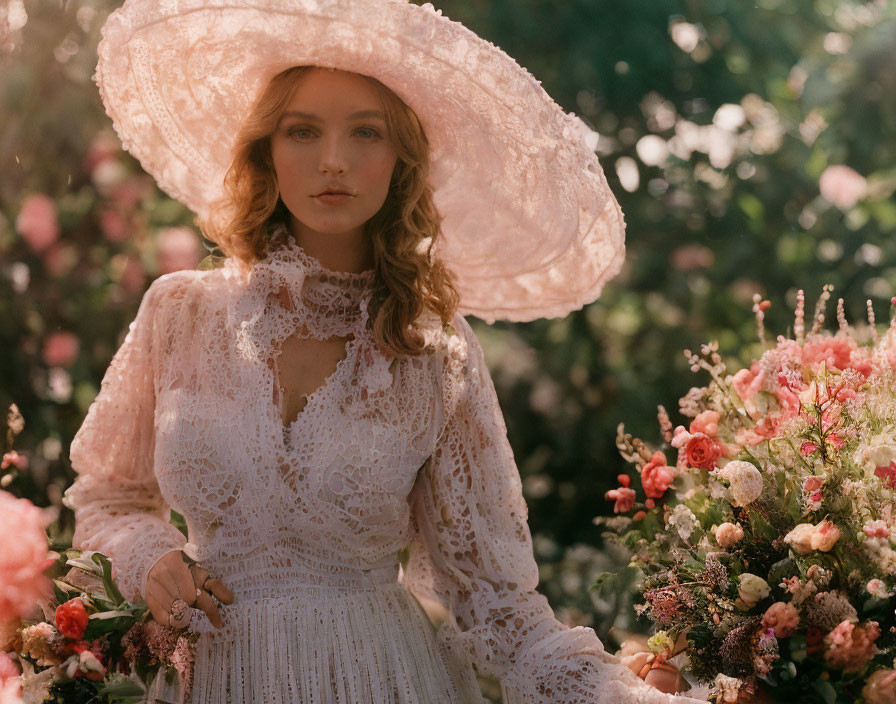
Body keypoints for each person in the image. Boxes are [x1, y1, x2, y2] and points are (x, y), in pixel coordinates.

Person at [63, 1, 706, 702]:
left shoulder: (435, 352)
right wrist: (148, 558)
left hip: (382, 679)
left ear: (403, 157)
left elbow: (498, 607)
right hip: (216, 677)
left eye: (365, 133)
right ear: (266, 150)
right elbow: (107, 498)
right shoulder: (181, 311)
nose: (332, 161)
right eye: (302, 131)